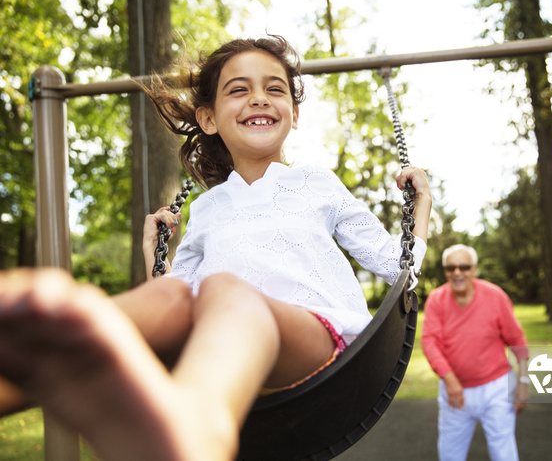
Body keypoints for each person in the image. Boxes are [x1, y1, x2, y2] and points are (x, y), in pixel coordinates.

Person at [0, 35, 431, 461]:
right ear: (208, 119)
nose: (259, 98)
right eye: (239, 89)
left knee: (226, 289)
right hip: (225, 343)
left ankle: (194, 428)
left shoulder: (317, 183)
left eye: (274, 88)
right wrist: (157, 259)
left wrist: (420, 208)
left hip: (323, 350)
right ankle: (45, 343)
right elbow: (184, 298)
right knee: (168, 294)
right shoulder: (206, 207)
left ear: (294, 115)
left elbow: (397, 266)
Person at [421, 244, 529, 461]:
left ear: (474, 269)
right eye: (451, 268)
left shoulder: (495, 296)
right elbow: (429, 342)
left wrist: (524, 382)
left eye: (464, 266)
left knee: (504, 453)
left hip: (497, 389)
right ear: (445, 271)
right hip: (455, 393)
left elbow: (517, 340)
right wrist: (449, 379)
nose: (457, 273)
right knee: (450, 455)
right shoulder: (436, 299)